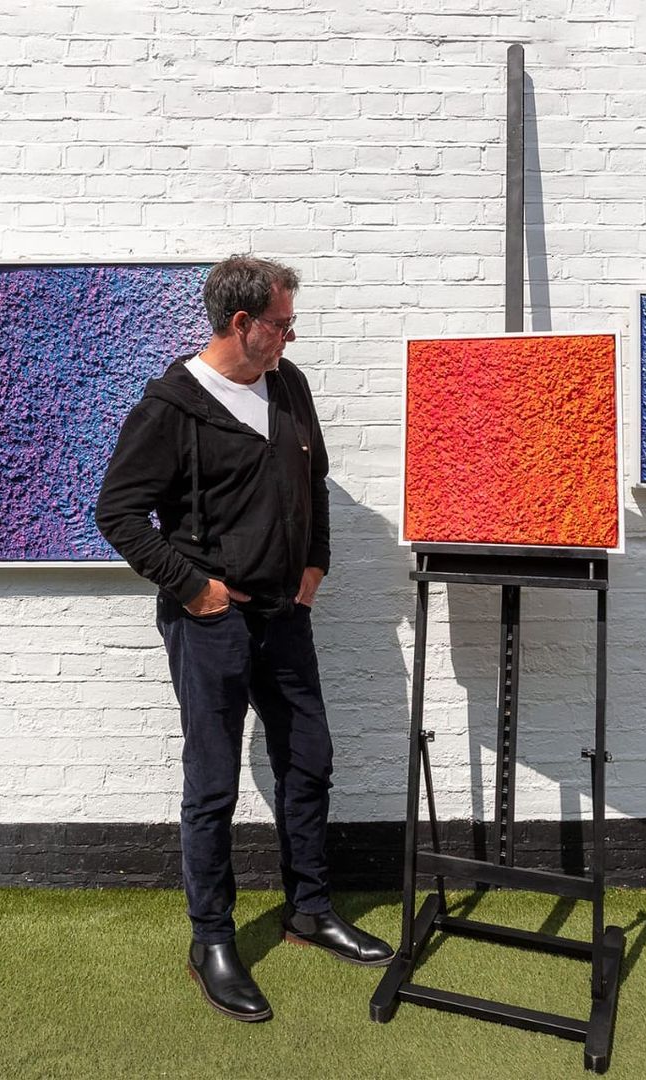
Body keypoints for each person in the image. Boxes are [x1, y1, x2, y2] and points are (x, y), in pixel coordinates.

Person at [96, 255, 393, 1023]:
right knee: (214, 784)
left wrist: (316, 563)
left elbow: (312, 480)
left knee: (309, 760)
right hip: (211, 623)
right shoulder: (172, 407)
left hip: (284, 615)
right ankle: (212, 942)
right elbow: (118, 512)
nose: (290, 338)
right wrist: (195, 589)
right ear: (241, 323)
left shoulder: (288, 386)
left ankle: (309, 910)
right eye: (282, 325)